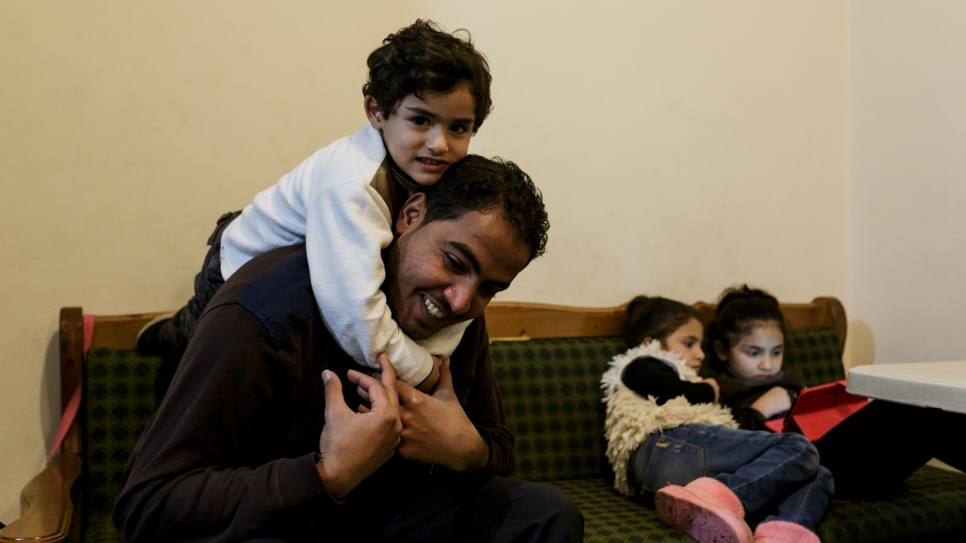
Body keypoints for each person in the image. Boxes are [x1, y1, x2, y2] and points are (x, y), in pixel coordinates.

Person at [113, 155, 582, 542]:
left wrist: (468, 449)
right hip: (284, 524)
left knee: (546, 516)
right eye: (454, 261)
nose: (462, 299)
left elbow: (496, 445)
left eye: (488, 289)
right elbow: (147, 505)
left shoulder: (457, 320)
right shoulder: (263, 312)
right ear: (410, 215)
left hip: (389, 520)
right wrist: (328, 472)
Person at [138, 19, 495, 393]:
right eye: (421, 120)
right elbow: (354, 315)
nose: (439, 143)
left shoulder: (436, 172)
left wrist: (432, 356)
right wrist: (422, 370)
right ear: (375, 112)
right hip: (240, 268)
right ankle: (174, 333)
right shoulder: (352, 185)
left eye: (458, 128)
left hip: (310, 276)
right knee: (202, 355)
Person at [602, 296, 832, 543]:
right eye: (689, 343)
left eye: (700, 345)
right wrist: (710, 391)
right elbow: (659, 385)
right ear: (651, 343)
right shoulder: (642, 363)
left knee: (819, 473)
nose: (700, 354)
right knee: (799, 448)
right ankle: (717, 499)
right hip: (665, 446)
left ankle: (780, 536)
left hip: (671, 477)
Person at [704, 285, 966, 500]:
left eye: (776, 352)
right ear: (722, 350)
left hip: (856, 467)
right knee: (903, 405)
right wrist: (757, 411)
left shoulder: (792, 380)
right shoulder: (717, 390)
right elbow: (721, 451)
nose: (767, 364)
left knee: (930, 413)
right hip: (805, 470)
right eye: (753, 353)